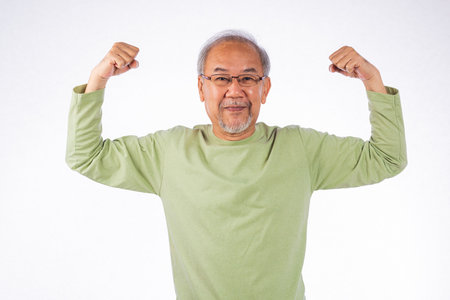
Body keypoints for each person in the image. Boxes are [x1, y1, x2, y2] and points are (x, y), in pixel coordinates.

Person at [66, 30, 407, 300]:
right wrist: (99, 79)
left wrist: (372, 80)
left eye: (247, 78)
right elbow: (86, 155)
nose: (234, 91)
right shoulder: (168, 152)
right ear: (202, 88)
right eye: (220, 78)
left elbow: (387, 158)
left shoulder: (300, 149)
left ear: (265, 88)